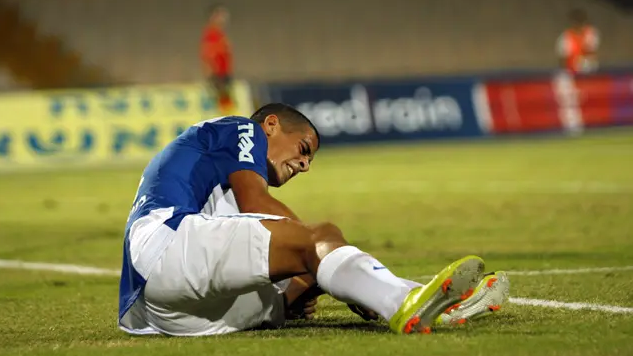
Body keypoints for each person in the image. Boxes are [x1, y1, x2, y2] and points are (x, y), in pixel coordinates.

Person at [118, 103, 509, 337]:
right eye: (304, 149)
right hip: (167, 246)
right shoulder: (242, 129)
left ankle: (432, 304)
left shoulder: (219, 195)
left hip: (171, 311)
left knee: (310, 270)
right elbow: (260, 202)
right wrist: (320, 247)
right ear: (270, 125)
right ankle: (401, 298)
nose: (305, 165)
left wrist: (320, 278)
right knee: (320, 238)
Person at [200, 5, 235, 114]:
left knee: (226, 101)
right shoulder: (211, 35)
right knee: (222, 101)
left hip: (224, 73)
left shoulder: (220, 35)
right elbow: (208, 56)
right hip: (218, 75)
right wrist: (211, 74)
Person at [557, 9, 600, 75]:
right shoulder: (565, 37)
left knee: (586, 63)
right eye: (576, 22)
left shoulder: (590, 33)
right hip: (571, 73)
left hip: (589, 73)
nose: (578, 25)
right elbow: (562, 60)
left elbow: (592, 53)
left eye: (580, 22)